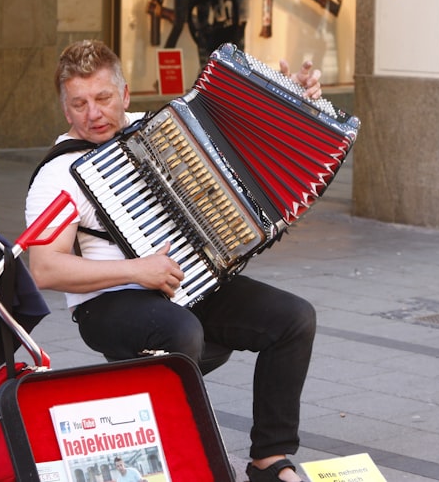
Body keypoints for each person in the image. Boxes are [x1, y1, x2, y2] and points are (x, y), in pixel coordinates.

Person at [25, 40, 320, 482]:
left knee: (294, 318)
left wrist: (291, 101)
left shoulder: (161, 130)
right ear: (66, 111)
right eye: (79, 104)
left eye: (103, 98)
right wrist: (135, 270)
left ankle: (269, 460)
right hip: (108, 303)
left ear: (125, 95)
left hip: (185, 284)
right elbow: (45, 268)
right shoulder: (58, 175)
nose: (94, 113)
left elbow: (243, 136)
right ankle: (186, 462)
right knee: (182, 332)